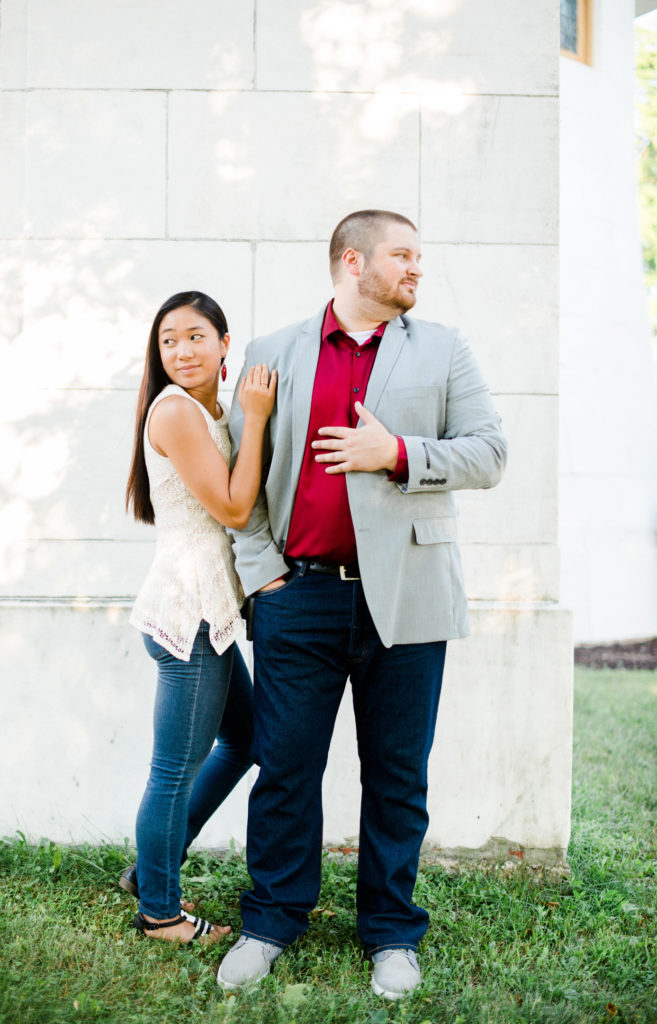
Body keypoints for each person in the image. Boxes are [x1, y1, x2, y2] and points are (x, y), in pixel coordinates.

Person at [216, 210, 508, 996]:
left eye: (419, 256)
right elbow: (242, 477)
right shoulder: (272, 352)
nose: (417, 268)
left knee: (395, 774)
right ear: (353, 261)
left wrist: (399, 453)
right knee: (283, 770)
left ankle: (390, 934)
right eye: (402, 255)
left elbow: (489, 452)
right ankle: (270, 921)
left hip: (408, 598)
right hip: (297, 597)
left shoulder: (443, 348)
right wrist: (262, 577)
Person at [124, 290, 276, 944]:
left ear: (223, 344)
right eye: (168, 341)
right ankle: (160, 911)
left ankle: (150, 868)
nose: (181, 351)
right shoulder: (176, 412)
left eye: (194, 337)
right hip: (186, 614)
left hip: (205, 612)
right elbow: (236, 510)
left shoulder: (206, 411)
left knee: (247, 740)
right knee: (172, 768)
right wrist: (259, 417)